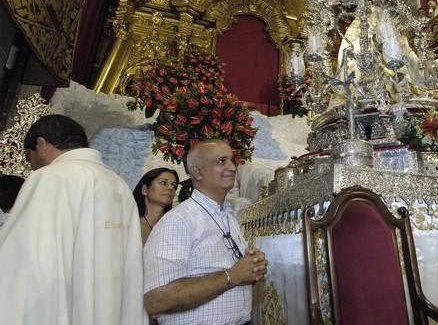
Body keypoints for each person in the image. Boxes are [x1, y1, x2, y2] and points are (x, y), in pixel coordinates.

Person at [0, 114, 146, 325]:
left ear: (40, 144)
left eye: (29, 157)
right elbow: (131, 271)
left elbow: (25, 259)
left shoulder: (52, 176)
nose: (31, 166)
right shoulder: (119, 186)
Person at [144, 139, 267, 325]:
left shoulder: (230, 220)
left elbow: (235, 271)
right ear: (197, 172)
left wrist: (252, 267)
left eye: (232, 160)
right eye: (221, 161)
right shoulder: (178, 221)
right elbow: (156, 300)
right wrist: (233, 276)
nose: (232, 167)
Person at [133, 167, 179, 244]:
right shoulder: (130, 224)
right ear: (145, 190)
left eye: (174, 186)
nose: (170, 188)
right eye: (163, 183)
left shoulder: (173, 229)